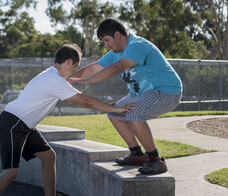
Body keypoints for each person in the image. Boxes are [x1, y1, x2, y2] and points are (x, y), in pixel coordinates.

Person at [0, 44, 136, 196]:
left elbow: (77, 101)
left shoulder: (51, 76)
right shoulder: (53, 80)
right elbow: (85, 101)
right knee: (10, 172)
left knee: (49, 157)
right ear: (69, 62)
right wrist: (114, 109)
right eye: (75, 68)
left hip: (23, 125)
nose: (74, 72)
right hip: (13, 124)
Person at [70, 18, 183, 174]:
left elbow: (119, 67)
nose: (106, 45)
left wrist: (89, 81)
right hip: (144, 93)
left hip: (166, 91)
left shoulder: (138, 45)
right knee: (114, 112)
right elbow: (94, 68)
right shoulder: (115, 53)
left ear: (117, 35)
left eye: (106, 40)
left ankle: (156, 160)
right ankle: (137, 154)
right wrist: (68, 78)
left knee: (134, 114)